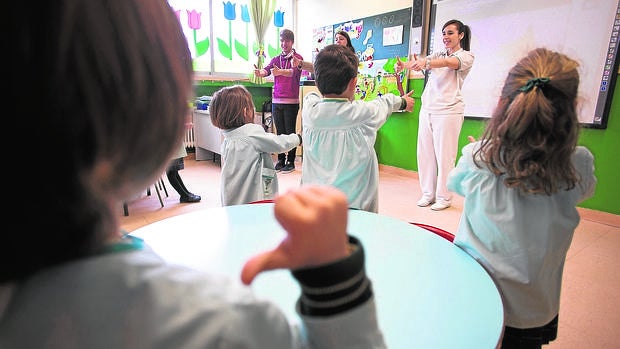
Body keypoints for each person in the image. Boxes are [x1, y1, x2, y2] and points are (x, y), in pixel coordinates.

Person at [1, 1, 387, 348]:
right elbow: (282, 140)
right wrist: (335, 276)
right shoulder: (224, 324)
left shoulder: (238, 131)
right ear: (153, 117)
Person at [447, 48, 596, 348]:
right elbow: (586, 190)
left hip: (475, 300)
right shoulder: (578, 163)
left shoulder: (477, 158)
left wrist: (483, 151)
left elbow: (455, 184)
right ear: (570, 111)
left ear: (503, 105)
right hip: (533, 310)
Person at [301, 44, 415, 213]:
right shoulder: (364, 113)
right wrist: (404, 101)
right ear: (354, 83)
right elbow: (386, 102)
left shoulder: (309, 110)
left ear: (317, 82)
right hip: (355, 210)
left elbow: (312, 96)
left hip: (313, 206)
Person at [395, 19, 474, 211]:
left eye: (450, 33)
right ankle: (428, 194)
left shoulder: (466, 56)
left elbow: (447, 63)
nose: (446, 37)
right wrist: (405, 66)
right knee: (425, 154)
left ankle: (444, 197)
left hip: (449, 110)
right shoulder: (438, 53)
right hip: (428, 108)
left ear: (461, 35)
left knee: (445, 156)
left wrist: (425, 62)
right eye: (444, 33)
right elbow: (421, 64)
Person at [209, 85, 302, 206]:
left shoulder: (228, 138)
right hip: (255, 196)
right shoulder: (251, 133)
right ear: (245, 111)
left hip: (232, 195)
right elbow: (279, 143)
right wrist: (298, 138)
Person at [254, 29, 303, 174]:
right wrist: (260, 72)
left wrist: (280, 72)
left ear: (292, 42)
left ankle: (291, 161)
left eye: (287, 41)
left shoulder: (297, 58)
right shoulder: (276, 59)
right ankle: (281, 160)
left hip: (291, 101)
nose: (283, 44)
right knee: (279, 132)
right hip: (277, 101)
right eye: (281, 41)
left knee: (290, 132)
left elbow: (294, 72)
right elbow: (267, 70)